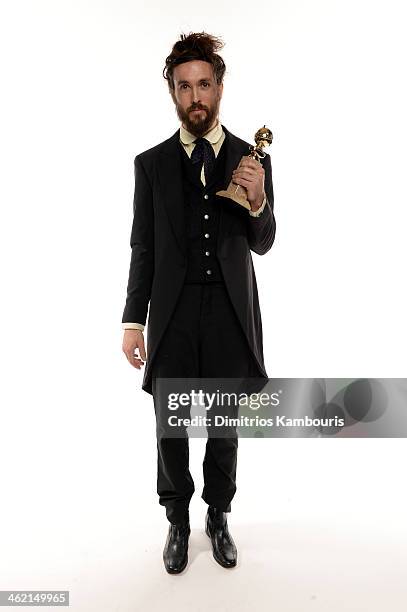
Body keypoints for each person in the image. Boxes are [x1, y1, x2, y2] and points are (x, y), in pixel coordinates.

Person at [121, 31, 276, 573]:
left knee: (225, 424)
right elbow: (143, 246)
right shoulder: (151, 165)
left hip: (231, 314)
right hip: (173, 315)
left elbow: (264, 241)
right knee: (172, 424)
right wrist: (131, 321)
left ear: (220, 86)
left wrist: (257, 201)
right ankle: (177, 520)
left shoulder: (250, 159)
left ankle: (218, 514)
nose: (195, 97)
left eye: (204, 84)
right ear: (172, 91)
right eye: (184, 87)